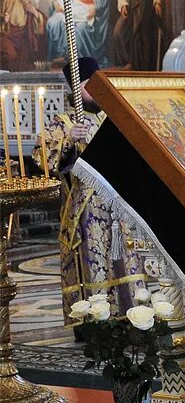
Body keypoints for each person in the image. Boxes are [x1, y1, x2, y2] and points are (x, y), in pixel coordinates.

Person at [46, 57, 149, 327]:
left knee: (126, 261)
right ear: (76, 89)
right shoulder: (63, 123)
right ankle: (93, 324)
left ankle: (132, 316)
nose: (96, 91)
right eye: (89, 85)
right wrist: (69, 142)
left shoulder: (110, 118)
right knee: (94, 263)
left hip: (117, 206)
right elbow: (46, 161)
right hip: (86, 210)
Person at [1, 0, 45, 71]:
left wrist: (35, 13)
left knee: (25, 60)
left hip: (22, 37)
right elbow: (4, 15)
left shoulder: (29, 2)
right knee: (10, 56)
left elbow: (39, 29)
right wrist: (5, 20)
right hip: (7, 34)